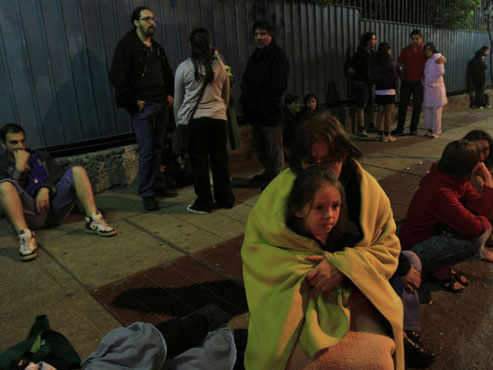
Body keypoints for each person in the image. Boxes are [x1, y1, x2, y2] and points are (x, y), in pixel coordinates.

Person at [241, 112, 404, 369]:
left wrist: (344, 267)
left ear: (345, 156)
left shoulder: (369, 192)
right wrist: (309, 273)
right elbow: (258, 252)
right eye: (311, 162)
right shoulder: (277, 196)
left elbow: (389, 246)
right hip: (300, 294)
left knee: (379, 360)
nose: (320, 170)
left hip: (357, 289)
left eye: (330, 162)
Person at [0, 123, 116, 262]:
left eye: (23, 141)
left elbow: (58, 172)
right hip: (30, 217)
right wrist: (18, 170)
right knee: (5, 186)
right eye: (14, 142)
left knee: (77, 171)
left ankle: (93, 219)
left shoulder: (38, 156)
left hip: (53, 209)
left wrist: (46, 188)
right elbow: (5, 200)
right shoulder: (2, 164)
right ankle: (25, 236)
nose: (21, 146)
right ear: (3, 144)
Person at [399, 139, 493, 293]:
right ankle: (434, 269)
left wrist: (487, 181)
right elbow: (477, 227)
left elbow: (481, 206)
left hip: (431, 235)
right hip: (414, 249)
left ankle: (441, 268)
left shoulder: (453, 178)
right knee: (473, 241)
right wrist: (485, 220)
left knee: (477, 226)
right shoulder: (441, 191)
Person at [110, 6, 176, 211]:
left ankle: (157, 184)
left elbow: (166, 71)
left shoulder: (155, 47)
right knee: (147, 149)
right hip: (143, 107)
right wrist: (132, 100)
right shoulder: (127, 46)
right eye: (147, 19)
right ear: (136, 22)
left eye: (153, 19)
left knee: (158, 147)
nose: (152, 23)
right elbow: (117, 76)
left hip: (161, 104)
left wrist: (169, 93)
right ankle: (147, 192)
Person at [174, 28, 235, 214]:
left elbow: (178, 100)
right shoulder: (220, 67)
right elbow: (227, 94)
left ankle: (204, 202)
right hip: (218, 120)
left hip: (196, 122)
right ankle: (225, 199)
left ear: (190, 46)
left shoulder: (184, 68)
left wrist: (179, 123)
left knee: (199, 163)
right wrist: (220, 110)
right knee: (220, 161)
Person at [240, 20, 289, 189]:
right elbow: (247, 80)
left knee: (274, 146)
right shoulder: (255, 55)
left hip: (270, 111)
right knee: (262, 147)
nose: (258, 37)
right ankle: (268, 173)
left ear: (270, 35)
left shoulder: (278, 56)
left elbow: (279, 84)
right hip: (255, 112)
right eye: (256, 34)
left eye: (262, 34)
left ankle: (277, 179)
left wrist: (264, 98)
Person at [393, 30, 425, 136]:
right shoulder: (406, 50)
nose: (415, 41)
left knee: (417, 106)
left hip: (419, 82)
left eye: (417, 38)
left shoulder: (425, 50)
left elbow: (436, 56)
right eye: (413, 39)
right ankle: (400, 128)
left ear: (421, 38)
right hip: (406, 81)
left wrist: (442, 58)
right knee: (402, 106)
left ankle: (413, 128)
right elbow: (400, 63)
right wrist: (400, 69)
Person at [348, 32, 377, 137]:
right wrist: (358, 77)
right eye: (373, 39)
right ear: (368, 41)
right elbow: (351, 68)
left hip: (370, 83)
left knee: (370, 105)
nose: (375, 41)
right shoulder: (359, 54)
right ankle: (361, 128)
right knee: (361, 106)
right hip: (362, 83)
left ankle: (370, 126)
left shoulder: (373, 53)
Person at [371, 42, 398, 143]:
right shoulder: (390, 62)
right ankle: (387, 134)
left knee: (379, 113)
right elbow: (394, 77)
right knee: (388, 114)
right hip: (389, 90)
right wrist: (396, 87)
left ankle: (379, 134)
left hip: (379, 90)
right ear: (387, 50)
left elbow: (373, 75)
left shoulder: (376, 62)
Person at [422, 43, 447, 139]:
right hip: (429, 87)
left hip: (436, 88)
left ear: (432, 50)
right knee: (428, 110)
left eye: (428, 50)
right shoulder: (429, 60)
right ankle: (430, 129)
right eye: (425, 51)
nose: (426, 52)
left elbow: (441, 72)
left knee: (436, 111)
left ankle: (436, 131)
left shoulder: (438, 58)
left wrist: (431, 80)